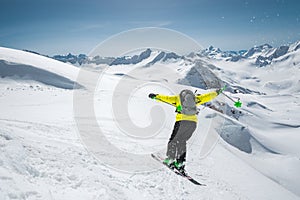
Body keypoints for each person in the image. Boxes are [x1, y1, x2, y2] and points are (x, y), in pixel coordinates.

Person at [148, 88, 223, 173]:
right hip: (192, 124)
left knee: (173, 140)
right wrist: (217, 92)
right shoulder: (196, 99)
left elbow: (165, 98)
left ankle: (170, 160)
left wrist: (155, 96)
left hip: (181, 122)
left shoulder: (177, 98)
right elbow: (208, 96)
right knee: (182, 142)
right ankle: (180, 164)